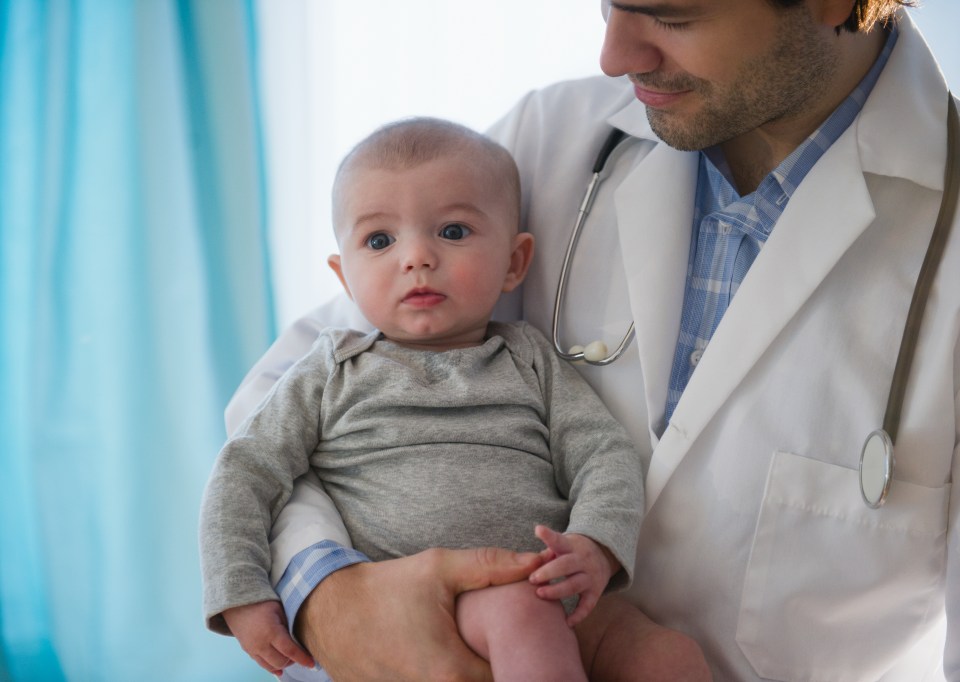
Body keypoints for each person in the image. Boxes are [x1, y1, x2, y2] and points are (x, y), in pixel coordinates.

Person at [228, 1, 959, 679]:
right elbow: (287, 395)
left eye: (670, 14)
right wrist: (326, 589)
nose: (615, 55)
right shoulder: (556, 141)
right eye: (609, 3)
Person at [202, 117, 709, 681]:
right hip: (427, 611)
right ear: (344, 278)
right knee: (520, 613)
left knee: (669, 657)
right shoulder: (331, 369)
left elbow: (602, 454)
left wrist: (595, 544)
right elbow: (245, 469)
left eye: (453, 232)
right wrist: (239, 589)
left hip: (556, 590)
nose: (416, 256)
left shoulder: (530, 360)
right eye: (379, 241)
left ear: (515, 263)